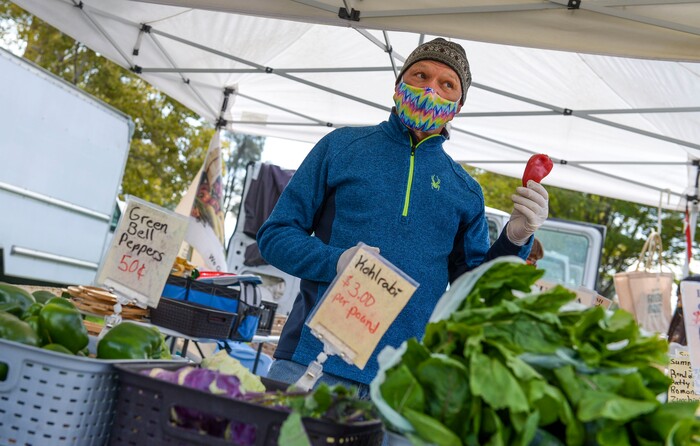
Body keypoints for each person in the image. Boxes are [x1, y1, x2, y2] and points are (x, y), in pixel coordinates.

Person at [257, 38, 549, 397]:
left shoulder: (465, 191)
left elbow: (473, 293)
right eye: (420, 75)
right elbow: (275, 236)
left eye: (447, 84)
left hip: (401, 381)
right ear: (398, 87)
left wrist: (514, 239)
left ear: (456, 107)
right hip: (311, 361)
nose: (430, 88)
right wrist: (336, 260)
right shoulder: (341, 147)